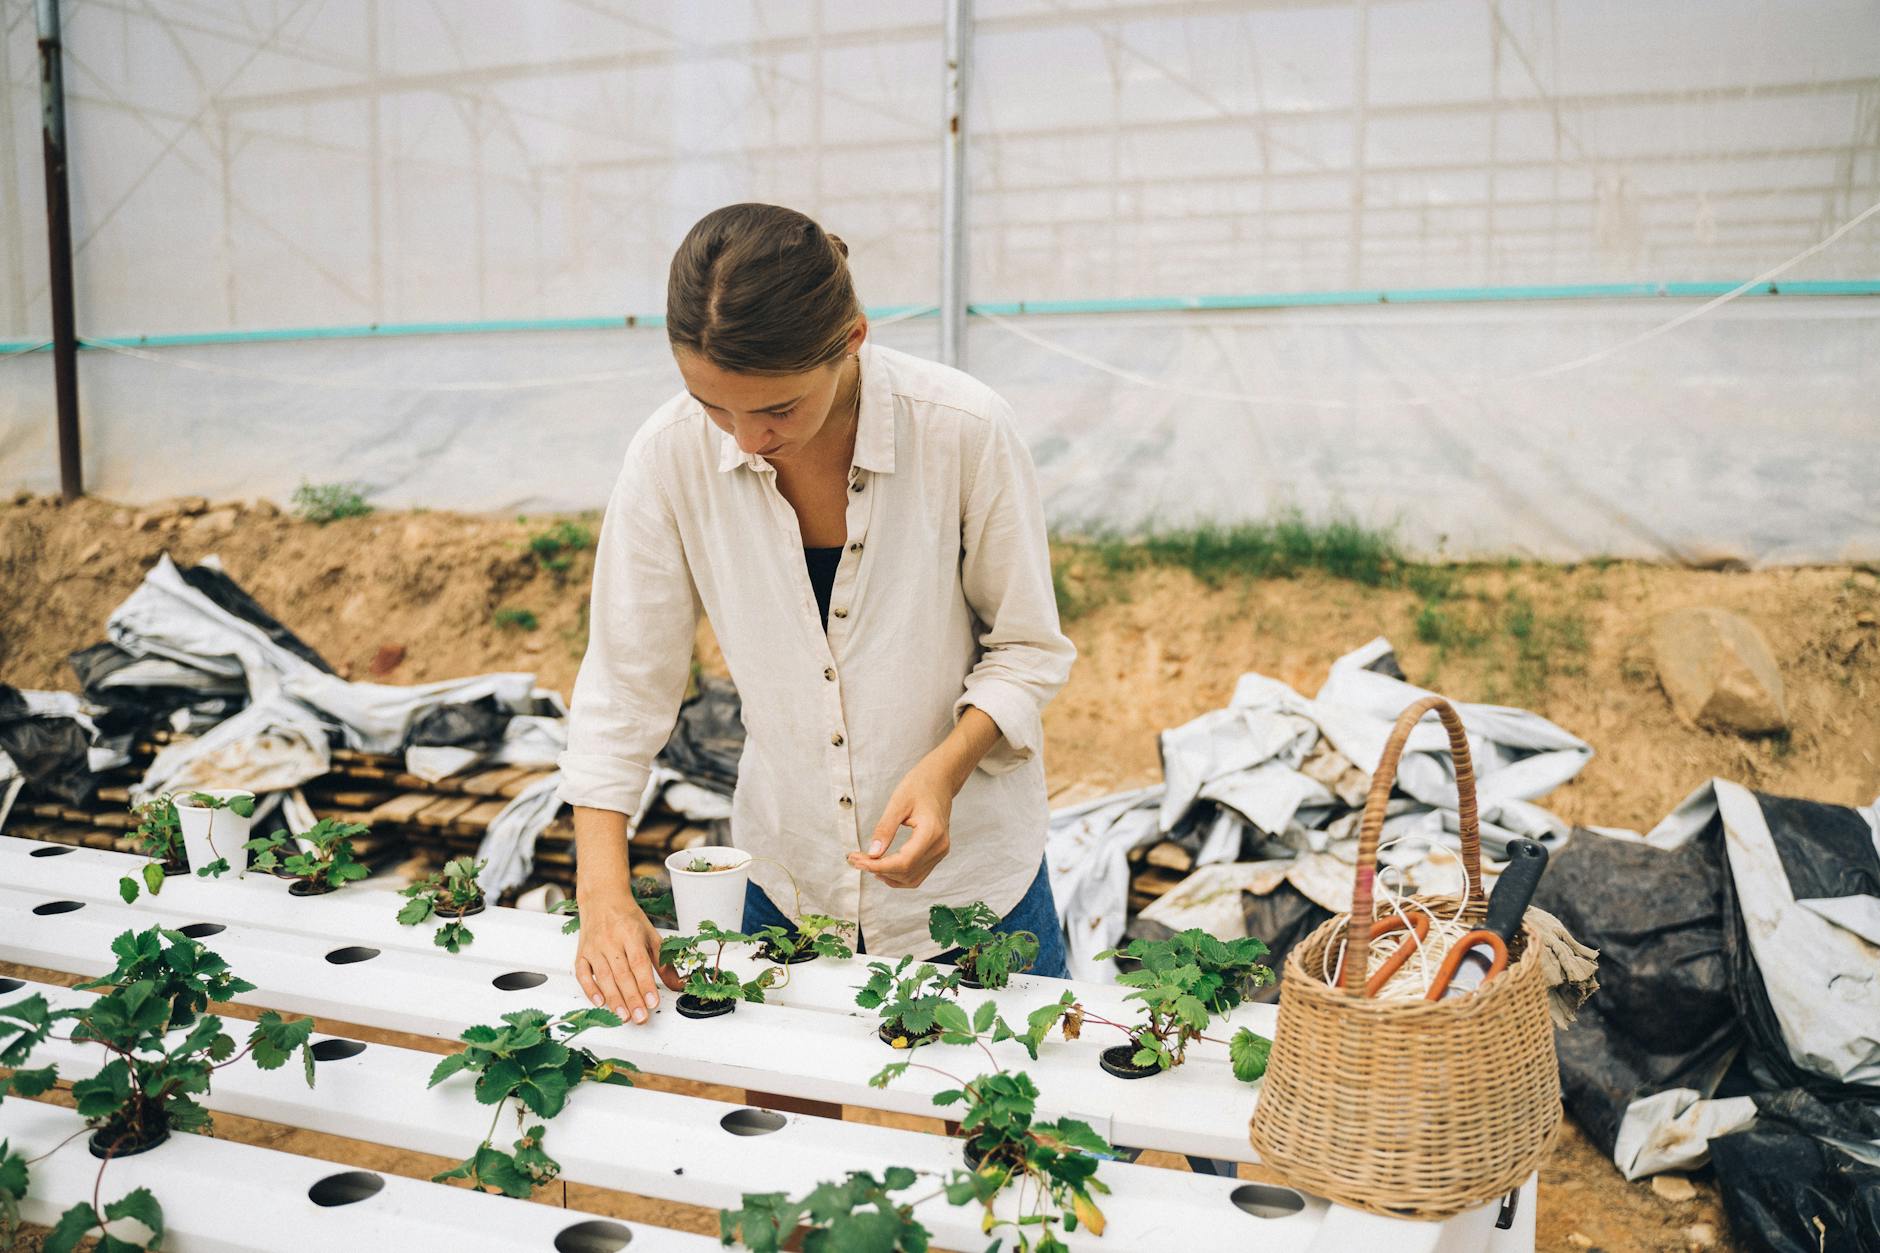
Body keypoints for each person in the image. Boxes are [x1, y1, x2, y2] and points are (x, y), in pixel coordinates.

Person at [557, 203, 1075, 1029]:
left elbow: (1025, 649)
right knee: (784, 1140)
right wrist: (603, 894)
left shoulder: (963, 432)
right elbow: (624, 685)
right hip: (787, 878)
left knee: (1015, 1136)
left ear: (853, 340)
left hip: (977, 887)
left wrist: (943, 769)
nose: (745, 437)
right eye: (712, 405)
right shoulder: (667, 456)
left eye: (778, 409)